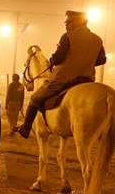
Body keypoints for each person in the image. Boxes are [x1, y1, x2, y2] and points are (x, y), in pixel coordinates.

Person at [13, 10, 106, 138]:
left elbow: (57, 58)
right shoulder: (97, 39)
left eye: (69, 22)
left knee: (35, 98)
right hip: (87, 80)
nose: (66, 25)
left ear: (77, 23)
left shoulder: (68, 36)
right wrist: (85, 62)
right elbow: (102, 60)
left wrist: (52, 61)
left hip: (64, 79)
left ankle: (25, 128)